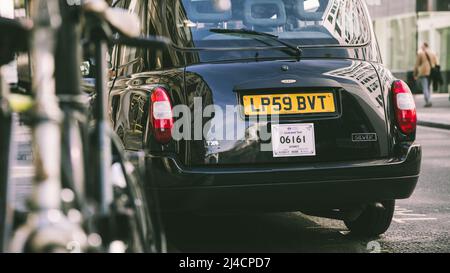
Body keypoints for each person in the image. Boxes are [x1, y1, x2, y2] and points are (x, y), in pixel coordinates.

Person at [414, 42, 438, 107]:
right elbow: (436, 63)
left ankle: (428, 101)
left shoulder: (421, 53)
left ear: (424, 46)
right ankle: (429, 100)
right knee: (428, 87)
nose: (421, 47)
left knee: (425, 87)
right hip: (431, 72)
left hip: (424, 72)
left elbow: (417, 64)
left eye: (422, 46)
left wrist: (415, 73)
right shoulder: (433, 53)